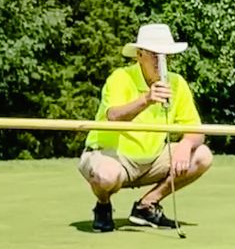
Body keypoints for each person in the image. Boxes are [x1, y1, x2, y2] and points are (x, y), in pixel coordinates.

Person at [79, 23, 213, 232]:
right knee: (106, 176)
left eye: (165, 56)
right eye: (154, 55)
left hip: (151, 160)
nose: (161, 62)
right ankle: (103, 206)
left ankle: (147, 205)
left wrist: (186, 143)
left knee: (202, 155)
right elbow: (114, 116)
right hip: (111, 156)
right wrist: (147, 99)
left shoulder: (177, 83)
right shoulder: (120, 78)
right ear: (139, 55)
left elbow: (196, 130)